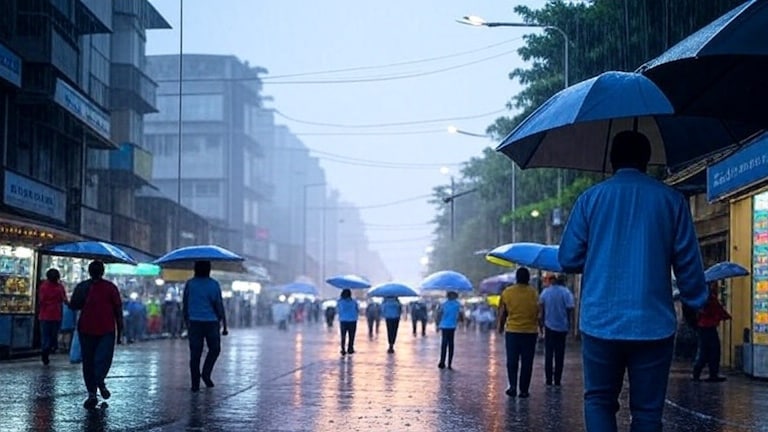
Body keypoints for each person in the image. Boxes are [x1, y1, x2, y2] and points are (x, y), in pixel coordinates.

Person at [558, 130, 709, 432]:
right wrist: (696, 301)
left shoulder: (590, 200)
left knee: (599, 400)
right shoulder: (672, 200)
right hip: (653, 324)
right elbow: (688, 263)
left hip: (601, 322)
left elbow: (569, 259)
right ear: (646, 160)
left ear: (612, 160)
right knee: (648, 412)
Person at [69, 261, 123, 409]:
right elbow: (118, 311)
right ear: (103, 271)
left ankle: (93, 392)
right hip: (106, 329)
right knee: (103, 359)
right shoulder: (111, 288)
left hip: (86, 328)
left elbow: (73, 305)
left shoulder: (82, 287)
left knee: (88, 361)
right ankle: (99, 382)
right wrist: (120, 332)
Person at [182, 260, 228, 392]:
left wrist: (185, 322)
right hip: (211, 322)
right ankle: (206, 373)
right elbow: (219, 305)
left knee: (195, 354)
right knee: (215, 349)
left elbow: (185, 304)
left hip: (194, 322)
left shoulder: (190, 284)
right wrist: (224, 324)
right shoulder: (214, 284)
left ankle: (195, 383)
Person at [498, 267, 539, 398]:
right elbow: (538, 312)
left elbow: (503, 313)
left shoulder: (507, 292)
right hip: (530, 332)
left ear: (516, 278)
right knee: (527, 362)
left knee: (512, 361)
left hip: (512, 331)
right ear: (528, 278)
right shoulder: (534, 293)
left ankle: (513, 386)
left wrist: (500, 326)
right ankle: (524, 390)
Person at [539, 274, 575, 386]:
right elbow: (570, 309)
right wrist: (570, 324)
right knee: (560, 354)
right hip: (562, 327)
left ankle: (548, 379)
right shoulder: (566, 293)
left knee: (548, 354)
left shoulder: (545, 292)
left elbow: (541, 309)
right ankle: (557, 379)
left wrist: (541, 326)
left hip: (549, 326)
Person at [692, 282, 731, 382]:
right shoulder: (708, 299)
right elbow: (715, 310)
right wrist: (724, 316)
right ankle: (708, 374)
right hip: (707, 327)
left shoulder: (704, 297)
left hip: (705, 327)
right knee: (711, 350)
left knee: (707, 351)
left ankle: (702, 373)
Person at [38, 268, 68, 365]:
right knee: (53, 335)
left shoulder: (43, 287)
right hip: (56, 314)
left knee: (45, 335)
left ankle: (45, 350)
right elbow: (64, 299)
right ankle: (50, 348)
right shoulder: (60, 287)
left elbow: (41, 300)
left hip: (44, 315)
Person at [437, 291, 461, 369]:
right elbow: (459, 315)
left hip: (444, 326)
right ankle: (449, 363)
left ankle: (442, 362)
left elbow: (439, 314)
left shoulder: (443, 304)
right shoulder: (457, 304)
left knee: (444, 344)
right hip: (452, 326)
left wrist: (437, 325)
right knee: (451, 344)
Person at [337, 289, 359, 355]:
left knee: (343, 335)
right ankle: (350, 348)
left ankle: (343, 349)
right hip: (352, 320)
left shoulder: (340, 302)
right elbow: (357, 310)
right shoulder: (354, 302)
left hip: (343, 320)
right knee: (351, 335)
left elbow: (337, 310)